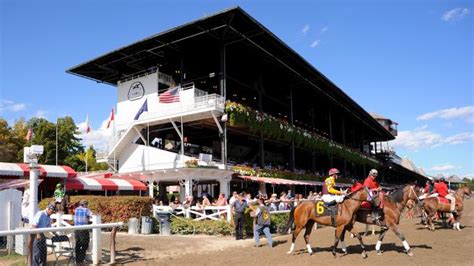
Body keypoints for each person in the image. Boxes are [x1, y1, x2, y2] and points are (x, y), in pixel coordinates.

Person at [74, 200, 92, 264]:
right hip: (83, 229)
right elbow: (92, 215)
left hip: (76, 229)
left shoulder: (76, 209)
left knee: (78, 244)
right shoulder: (86, 210)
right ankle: (81, 259)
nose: (87, 206)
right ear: (85, 205)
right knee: (85, 244)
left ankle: (77, 259)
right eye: (87, 204)